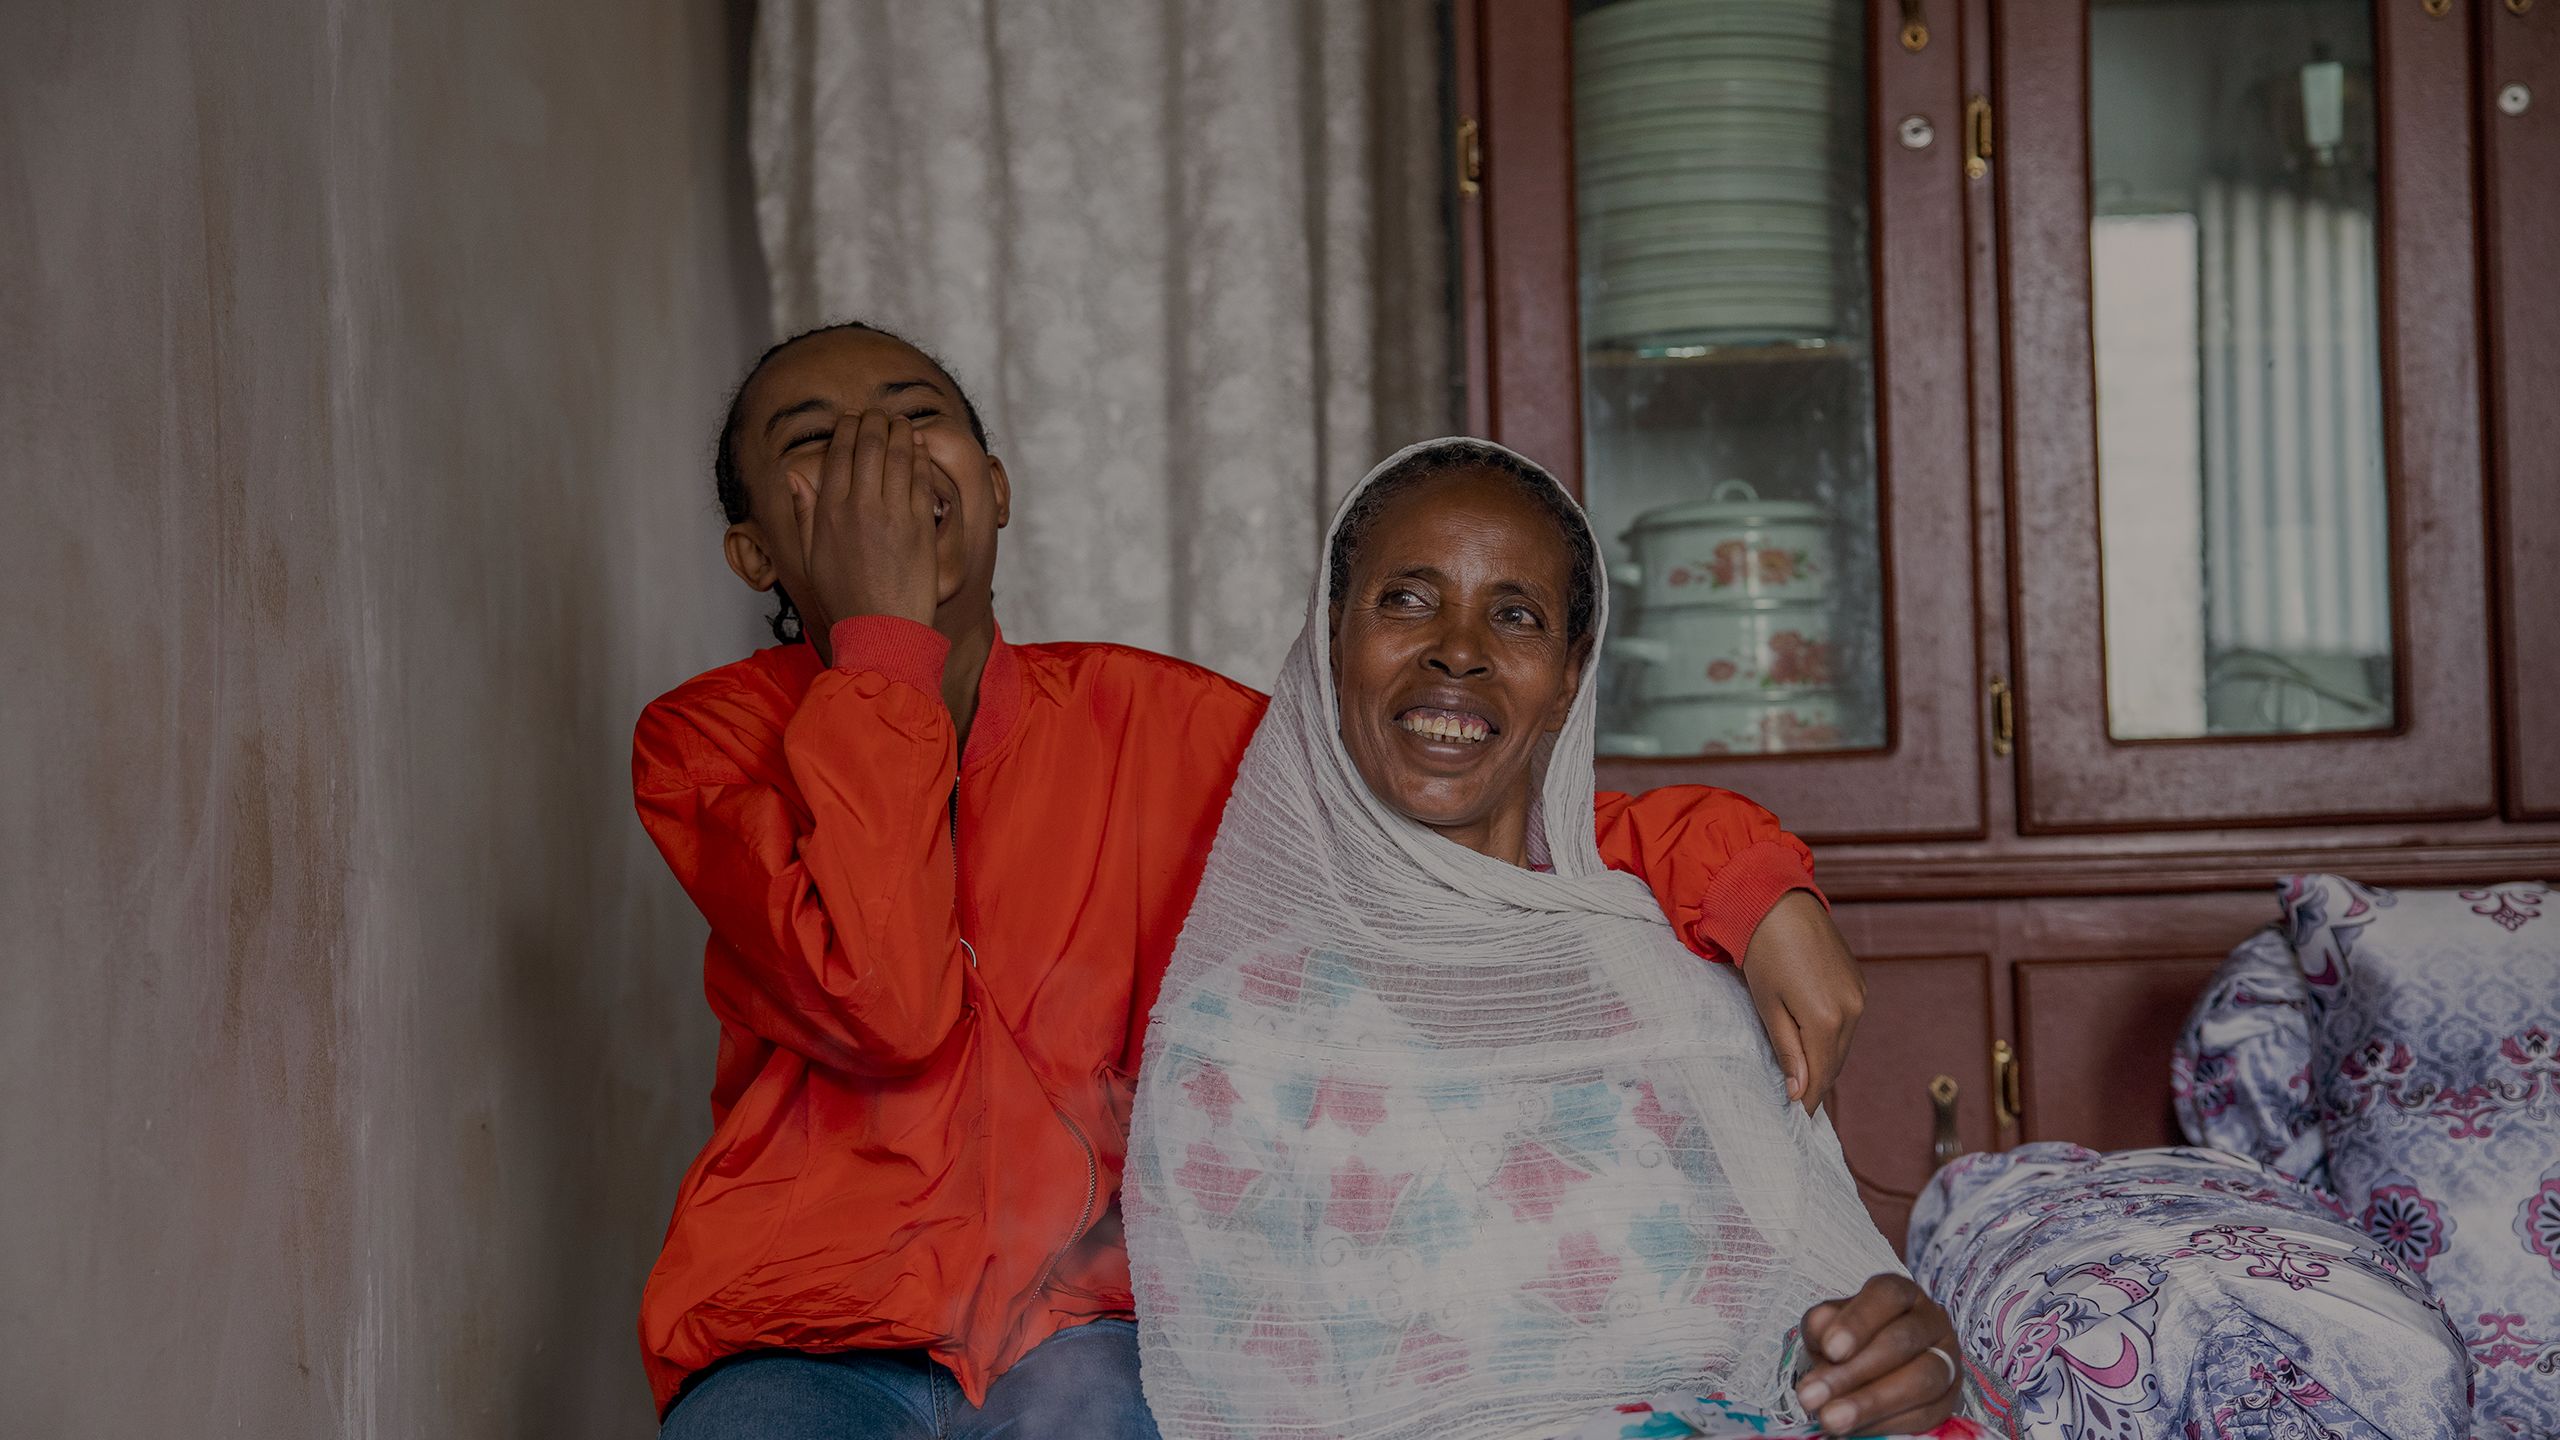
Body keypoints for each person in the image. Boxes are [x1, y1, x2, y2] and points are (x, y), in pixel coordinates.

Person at [637, 325, 1873, 1437]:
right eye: (817, 441)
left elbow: (1471, 813)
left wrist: (1755, 885)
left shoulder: (1153, 720)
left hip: (1091, 1327)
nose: (878, 460)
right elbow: (887, 999)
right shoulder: (703, 747)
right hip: (804, 1335)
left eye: (916, 418)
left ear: (996, 488)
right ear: (753, 551)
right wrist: (884, 646)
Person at [1124, 439, 1979, 1440]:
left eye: (1516, 615)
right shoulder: (1237, 1043)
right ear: (1330, 641)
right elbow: (1243, 1407)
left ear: (1570, 678)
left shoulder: (1676, 987)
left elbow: (1794, 1321)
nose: (1458, 648)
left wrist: (1878, 1360)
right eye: (1408, 599)